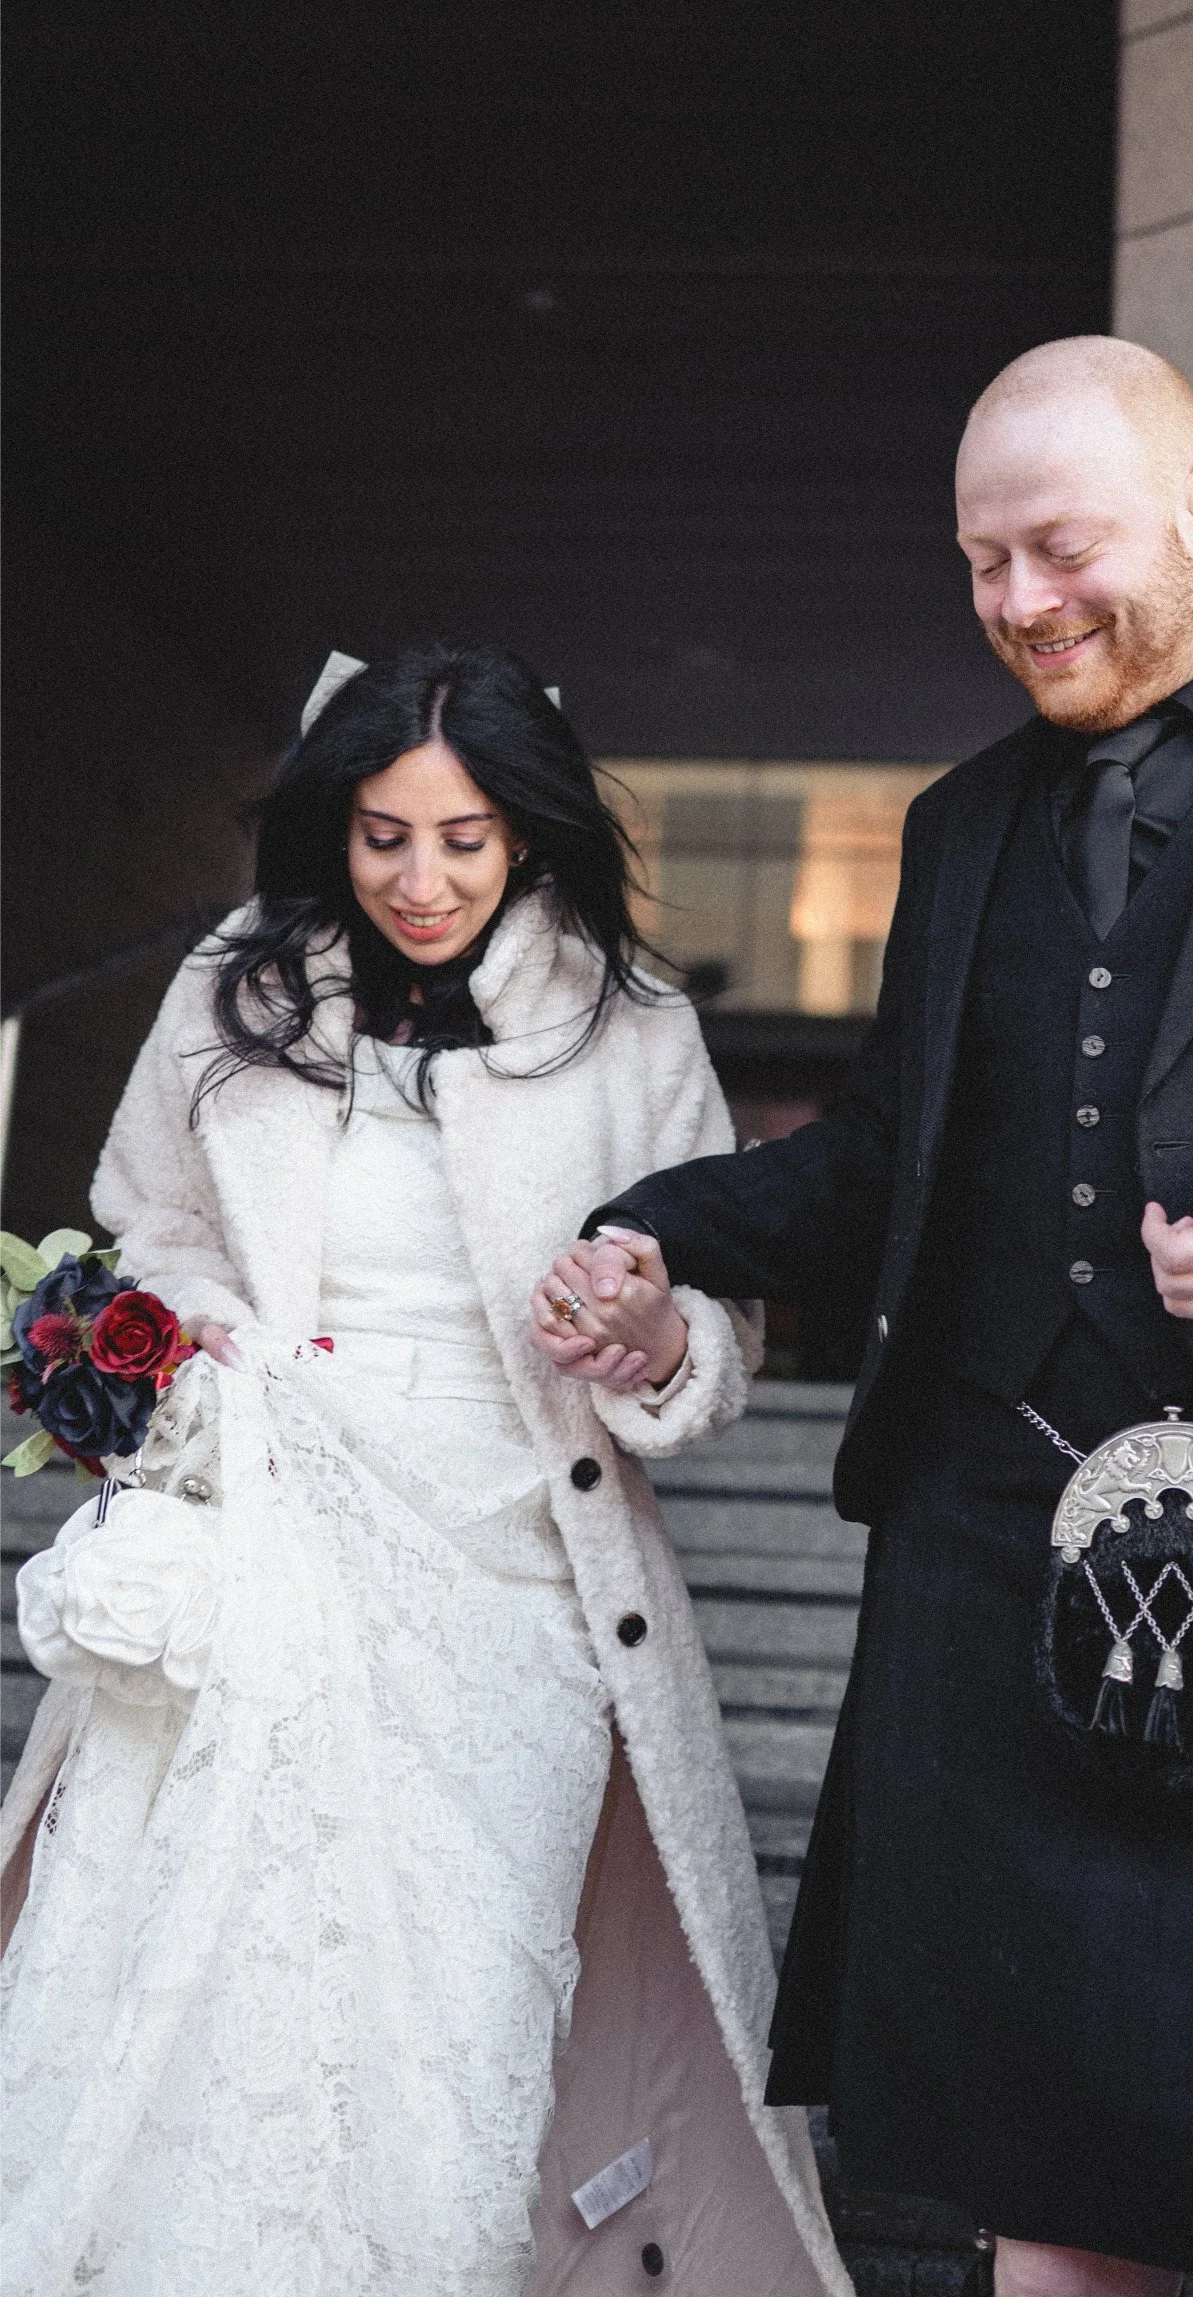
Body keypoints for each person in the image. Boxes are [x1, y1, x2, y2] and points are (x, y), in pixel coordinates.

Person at [532, 340, 1193, 2295]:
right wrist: (658, 1228)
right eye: (979, 564)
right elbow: (892, 1155)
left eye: (1055, 549)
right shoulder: (964, 817)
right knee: (1043, 2168)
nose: (1014, 604)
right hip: (1006, 1557)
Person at [0, 643, 851, 2297]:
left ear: (527, 834)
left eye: (462, 839)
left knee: (463, 2006)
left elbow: (717, 1340)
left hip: (516, 1589)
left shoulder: (632, 1027)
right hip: (268, 1549)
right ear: (337, 826)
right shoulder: (231, 989)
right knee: (210, 1978)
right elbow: (152, 1233)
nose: (421, 877)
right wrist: (198, 1335)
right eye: (384, 835)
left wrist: (650, 1339)